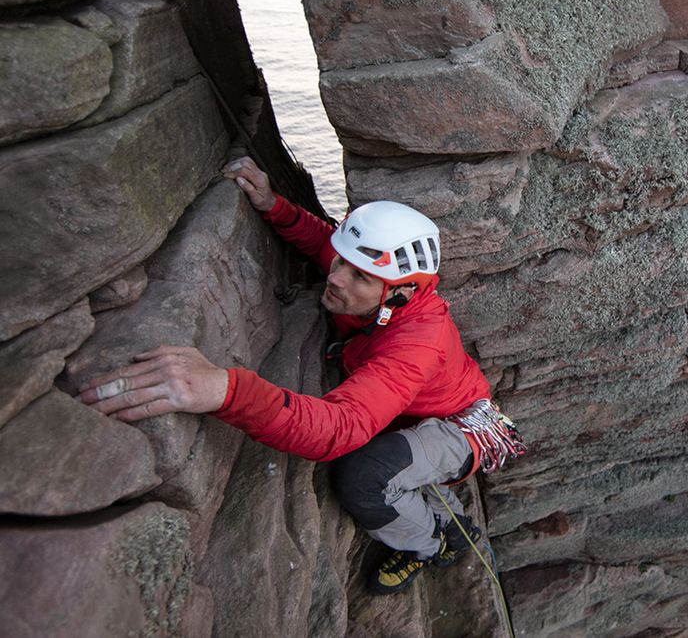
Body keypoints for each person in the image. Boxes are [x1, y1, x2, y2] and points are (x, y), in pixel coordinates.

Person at [80, 157, 523, 594]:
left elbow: (342, 429)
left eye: (359, 277)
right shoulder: (373, 273)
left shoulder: (416, 342)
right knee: (388, 458)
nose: (337, 280)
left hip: (464, 427)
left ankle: (428, 545)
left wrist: (225, 390)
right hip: (418, 409)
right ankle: (445, 519)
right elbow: (324, 243)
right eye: (342, 265)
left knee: (364, 474)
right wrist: (274, 204)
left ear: (401, 294)